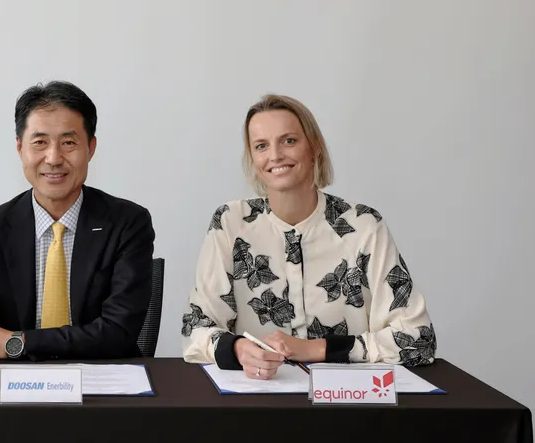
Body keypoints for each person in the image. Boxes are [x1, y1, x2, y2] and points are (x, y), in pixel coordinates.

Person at [182, 94, 436, 378]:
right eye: (261, 146)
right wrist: (239, 349)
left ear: (314, 147)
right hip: (257, 401)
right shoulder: (230, 223)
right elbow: (197, 329)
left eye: (289, 141)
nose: (275, 155)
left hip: (347, 404)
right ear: (253, 159)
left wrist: (314, 348)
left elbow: (418, 339)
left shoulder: (363, 226)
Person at [0, 81, 155, 383]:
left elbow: (119, 332)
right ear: (20, 147)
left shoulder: (127, 222)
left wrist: (16, 343)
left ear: (91, 148)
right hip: (17, 387)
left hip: (102, 385)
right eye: (40, 142)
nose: (54, 158)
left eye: (69, 143)